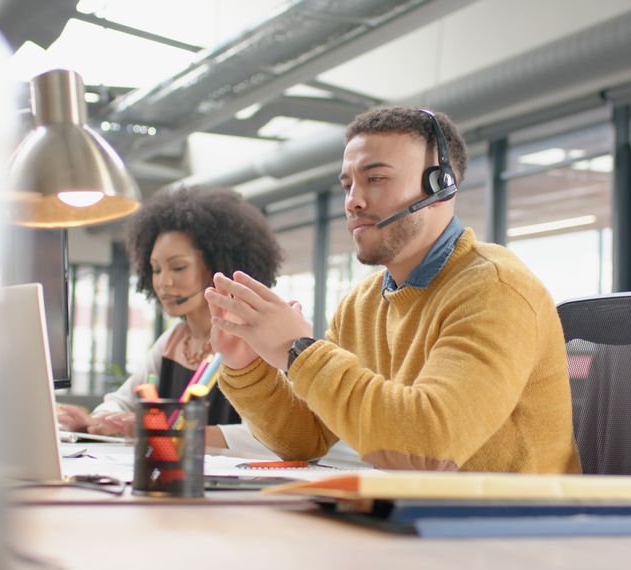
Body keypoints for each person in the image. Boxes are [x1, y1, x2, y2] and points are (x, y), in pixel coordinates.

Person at [203, 106, 581, 473]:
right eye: (348, 185)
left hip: (514, 526)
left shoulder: (495, 290)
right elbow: (306, 440)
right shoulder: (362, 305)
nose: (353, 201)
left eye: (376, 178)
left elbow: (428, 447)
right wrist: (246, 363)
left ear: (440, 186)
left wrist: (300, 351)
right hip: (423, 517)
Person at [57, 187, 283, 436]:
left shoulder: (256, 341)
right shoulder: (174, 340)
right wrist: (96, 421)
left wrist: (159, 429)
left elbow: (271, 437)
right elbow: (119, 402)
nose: (163, 282)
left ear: (220, 266)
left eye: (178, 267)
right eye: (155, 269)